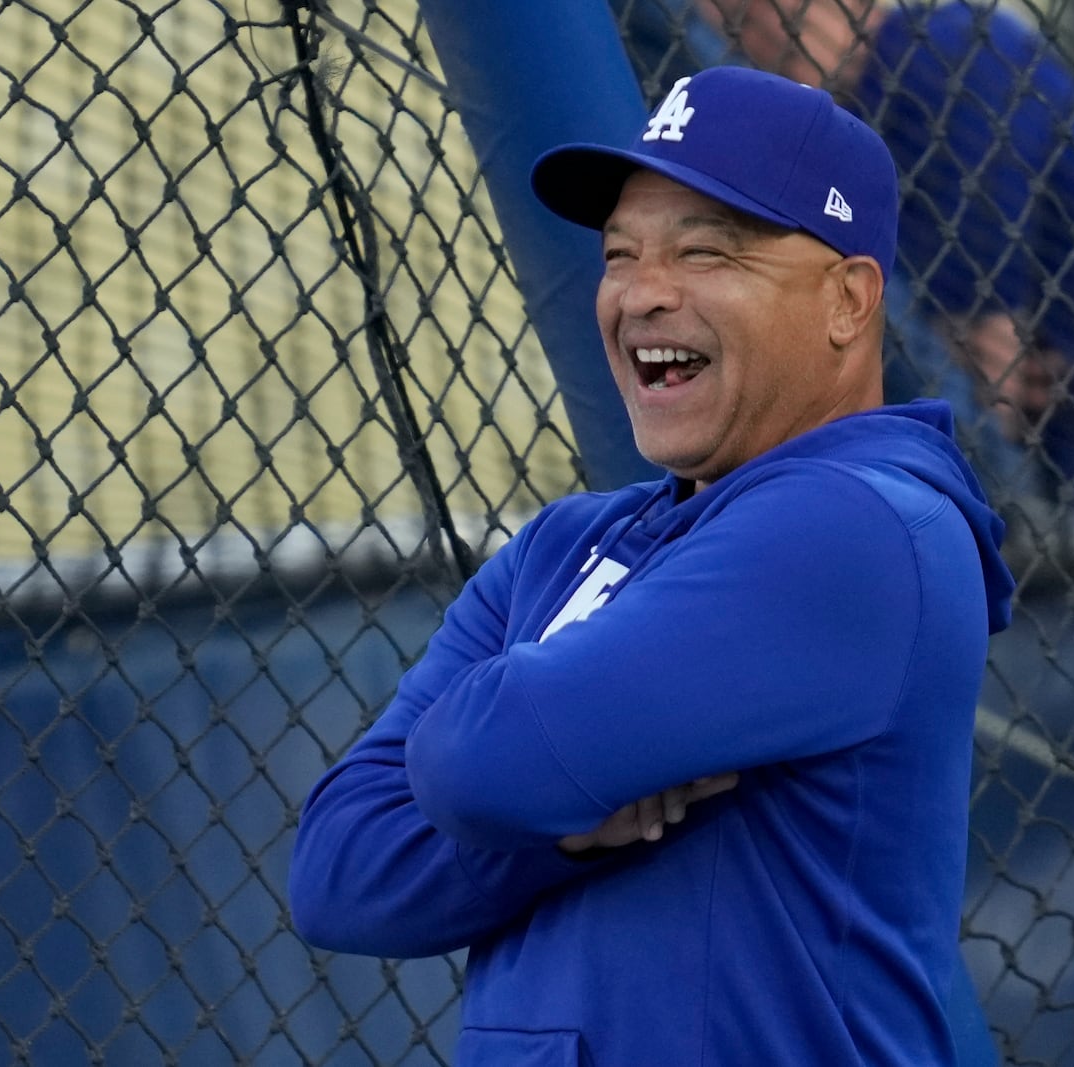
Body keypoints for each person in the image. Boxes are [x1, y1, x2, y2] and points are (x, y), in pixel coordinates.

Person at [288, 65, 1016, 1065]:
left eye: (704, 251)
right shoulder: (565, 543)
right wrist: (569, 825)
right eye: (618, 254)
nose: (641, 294)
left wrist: (523, 766)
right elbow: (336, 867)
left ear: (848, 300)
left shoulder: (861, 523)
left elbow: (476, 755)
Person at [699, 0, 1074, 507]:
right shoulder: (842, 129)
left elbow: (992, 370)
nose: (750, 46)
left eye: (754, 19)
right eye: (730, 29)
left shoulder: (944, 60)